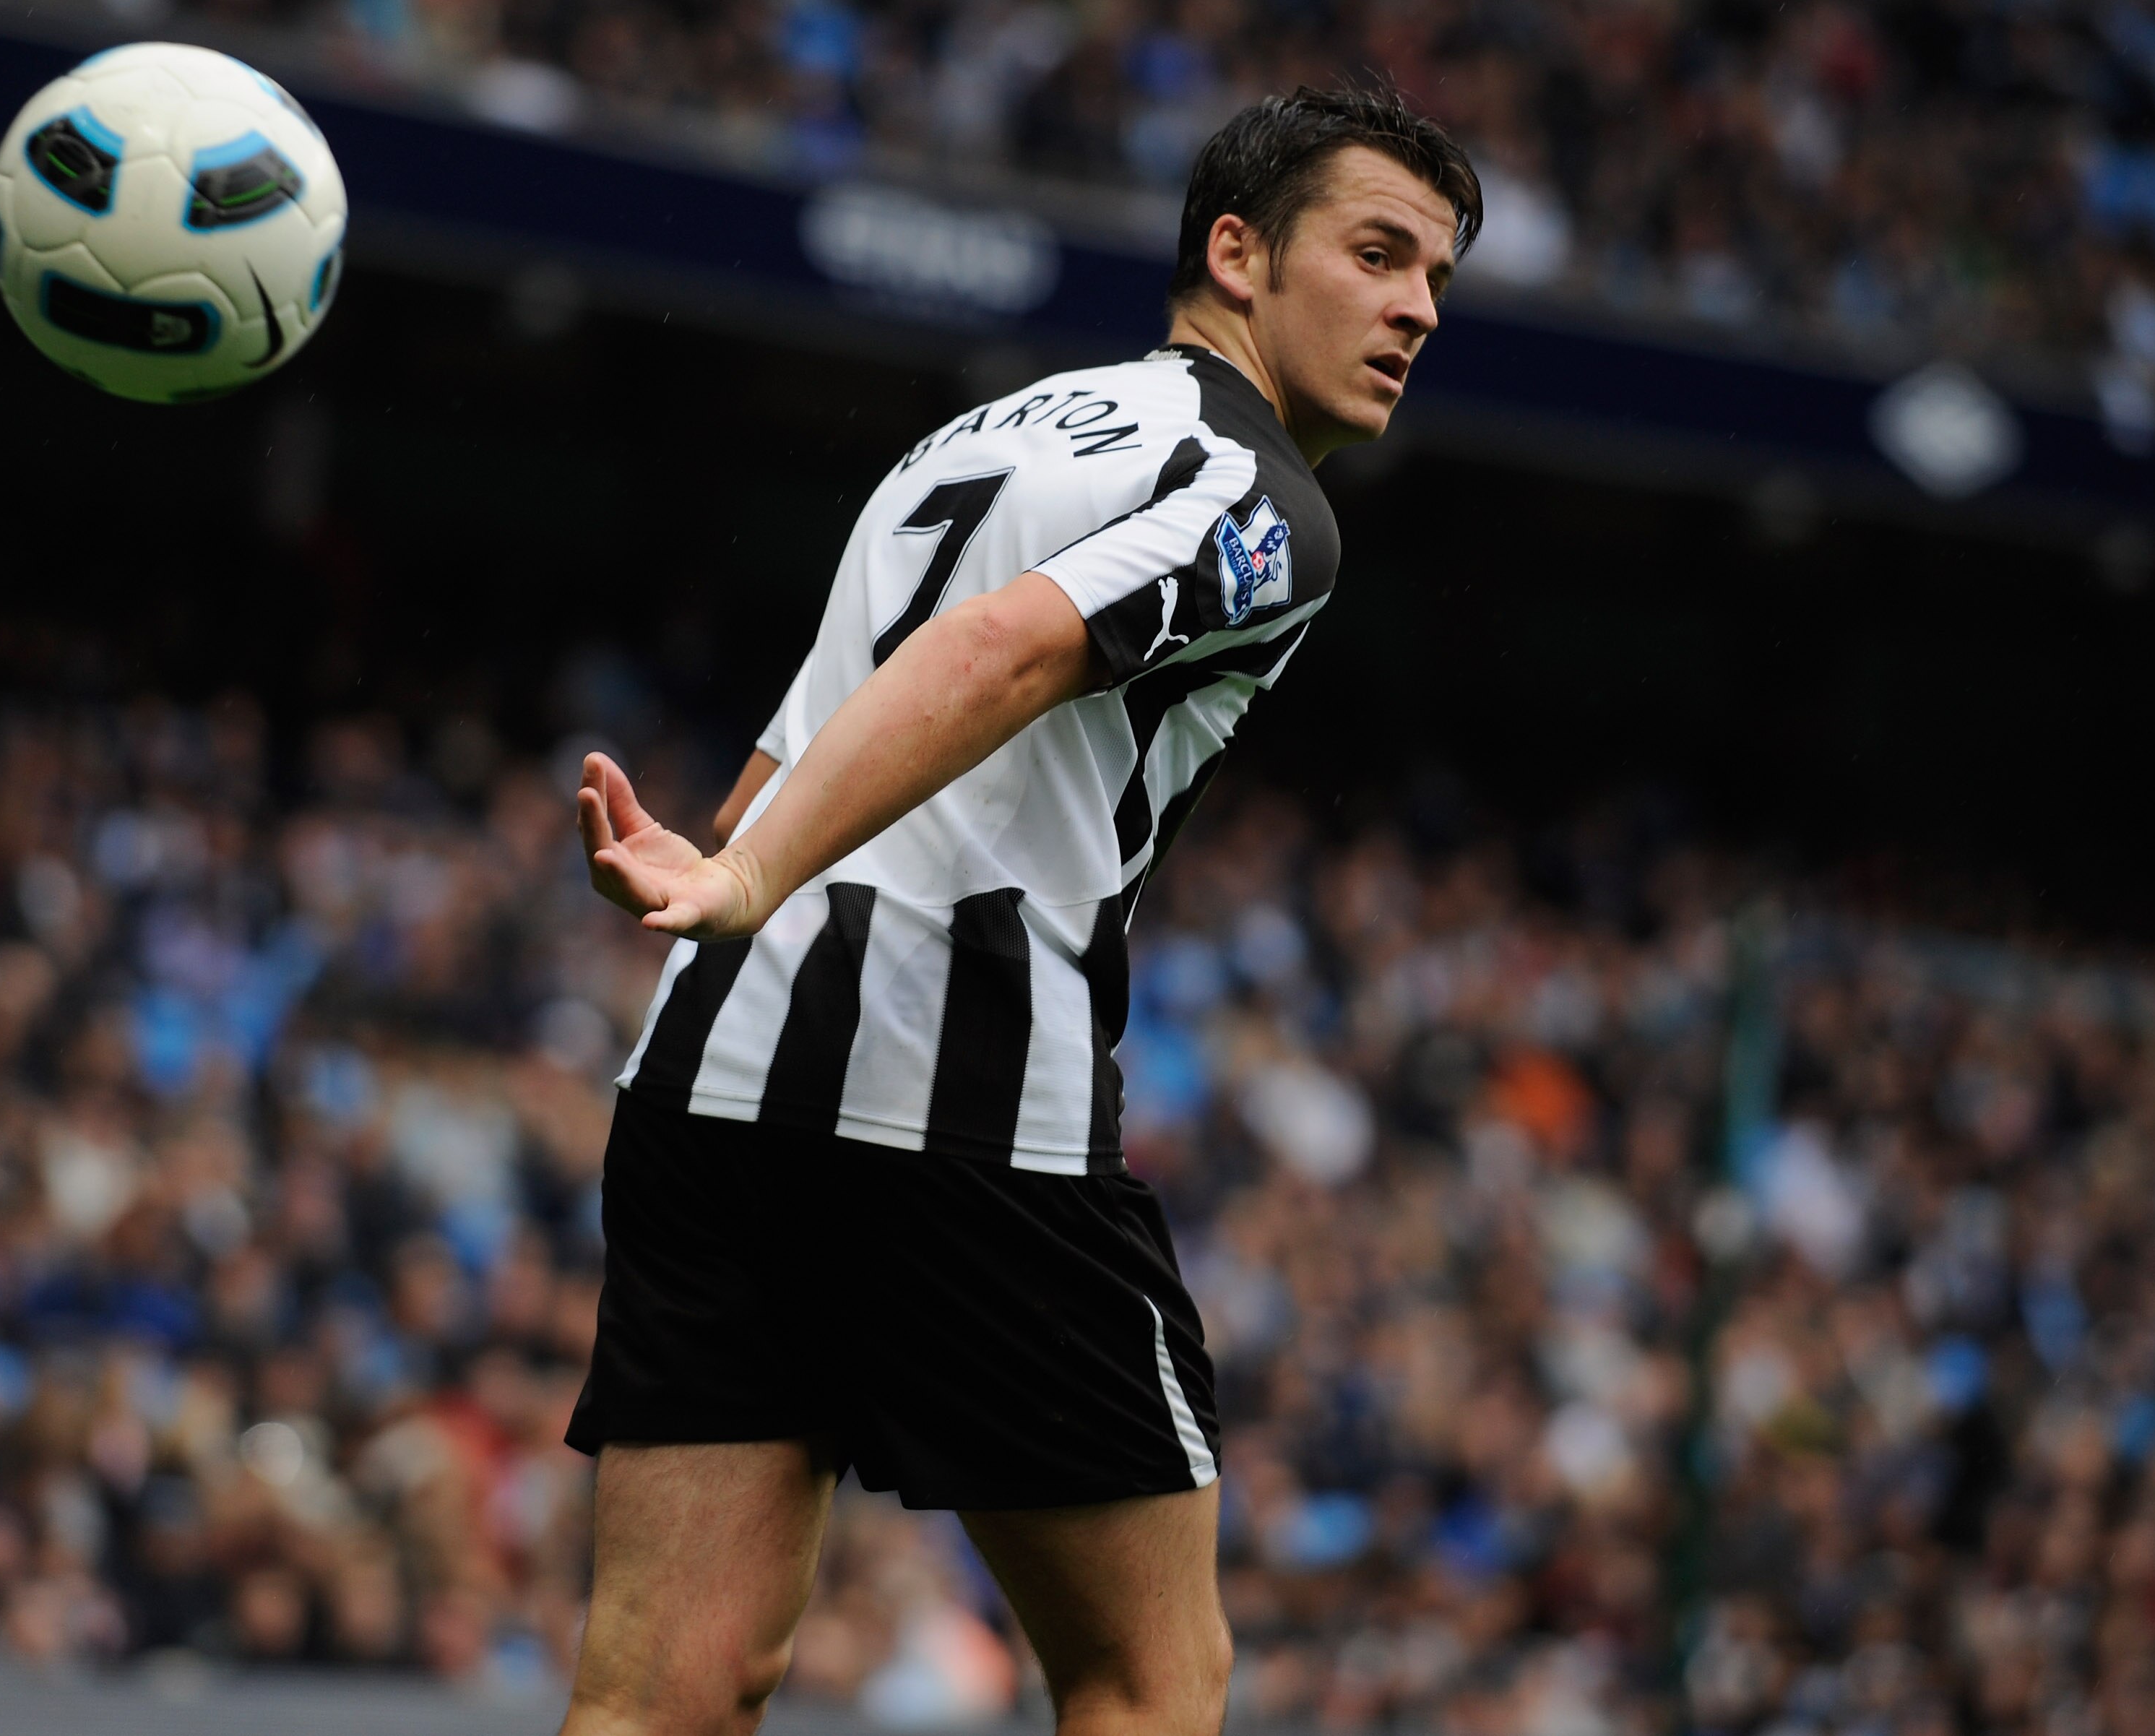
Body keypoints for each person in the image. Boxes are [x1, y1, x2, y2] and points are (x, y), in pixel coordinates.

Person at [558, 88, 1481, 1736]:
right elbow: (1003, 653)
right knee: (1149, 1676)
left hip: (709, 1082)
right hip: (962, 1106)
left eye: (1437, 277)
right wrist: (753, 871)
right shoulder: (1261, 493)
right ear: (1234, 251)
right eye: (1377, 252)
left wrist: (732, 872)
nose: (1416, 305)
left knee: (662, 1690)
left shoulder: (980, 433)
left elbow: (798, 740)